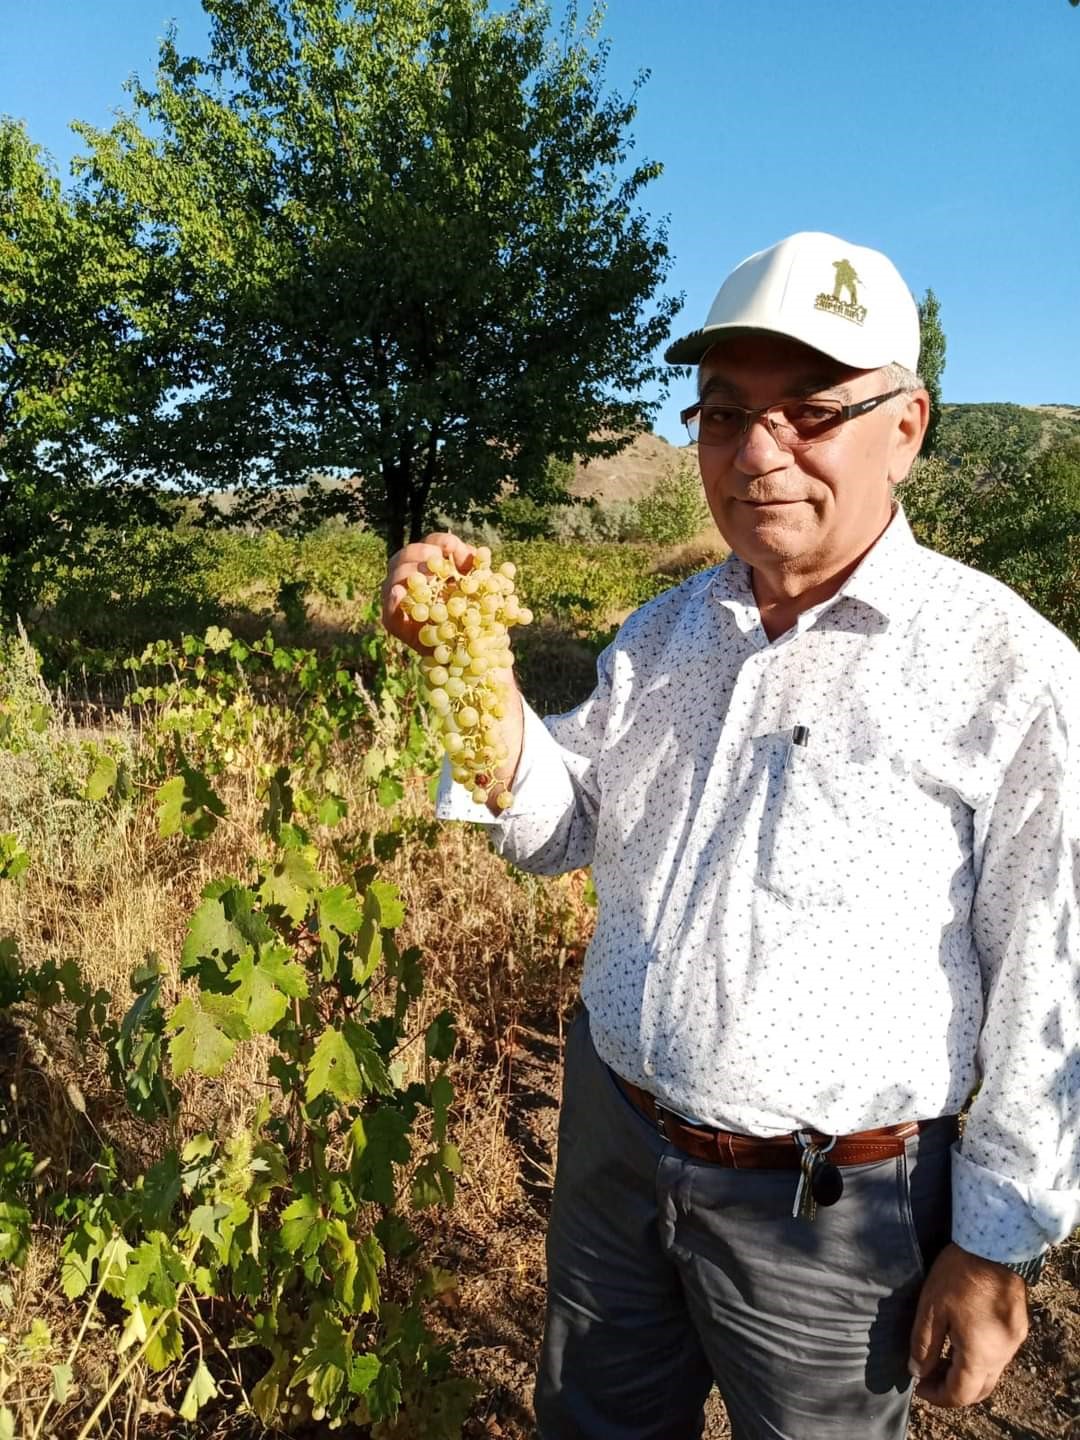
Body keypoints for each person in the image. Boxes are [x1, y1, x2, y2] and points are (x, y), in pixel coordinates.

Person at [381, 231, 1080, 1440]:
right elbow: (561, 830)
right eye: (722, 412)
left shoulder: (1007, 671)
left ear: (906, 427)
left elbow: (1053, 972)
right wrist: (473, 671)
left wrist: (995, 1241)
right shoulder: (662, 634)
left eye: (810, 412)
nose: (759, 452)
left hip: (834, 1212)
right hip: (613, 1145)